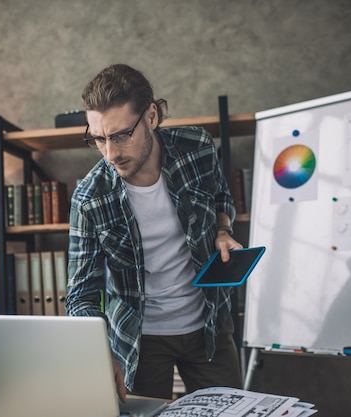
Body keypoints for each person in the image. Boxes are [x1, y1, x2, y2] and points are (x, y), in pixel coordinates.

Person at [65, 63, 243, 402]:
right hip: (137, 339)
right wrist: (100, 354)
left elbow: (221, 195)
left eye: (120, 135)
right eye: (98, 139)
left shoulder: (197, 147)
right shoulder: (89, 199)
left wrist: (222, 229)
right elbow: (80, 296)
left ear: (151, 116)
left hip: (209, 323)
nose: (111, 153)